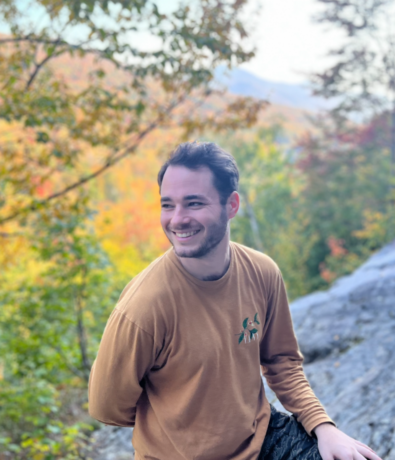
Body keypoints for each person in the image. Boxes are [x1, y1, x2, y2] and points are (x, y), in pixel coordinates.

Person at [88, 142, 381, 460]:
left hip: (263, 439)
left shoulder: (262, 272)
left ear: (232, 205)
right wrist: (179, 423)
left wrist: (325, 428)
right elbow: (107, 406)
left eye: (194, 203)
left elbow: (281, 363)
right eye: (168, 205)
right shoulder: (144, 306)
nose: (177, 219)